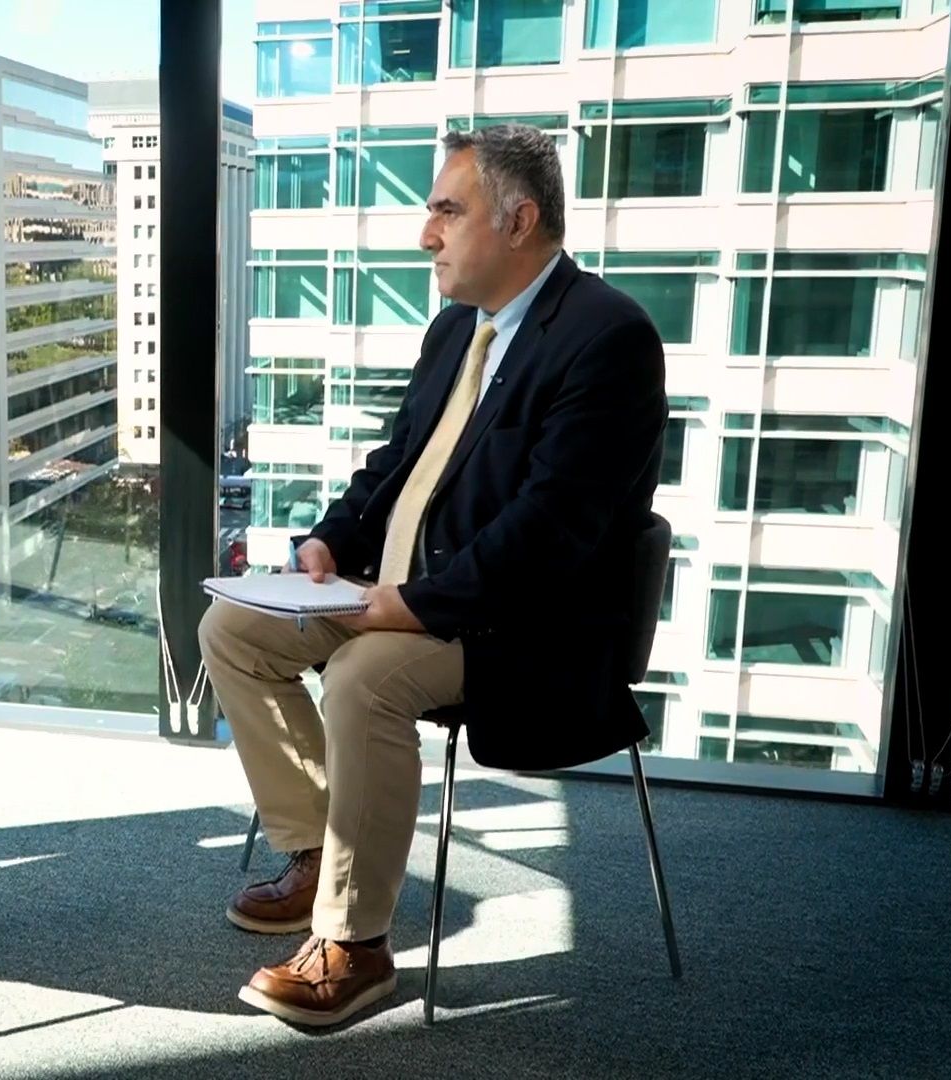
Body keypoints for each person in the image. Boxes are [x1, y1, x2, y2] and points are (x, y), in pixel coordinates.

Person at [199, 124, 666, 1027]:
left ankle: (356, 944)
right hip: (407, 592)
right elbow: (397, 464)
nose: (427, 235)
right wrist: (329, 543)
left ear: (520, 219)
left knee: (365, 678)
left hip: (524, 626)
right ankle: (313, 851)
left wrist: (411, 608)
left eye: (447, 211)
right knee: (233, 630)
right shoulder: (458, 328)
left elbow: (551, 532)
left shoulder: (610, 339)